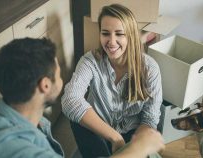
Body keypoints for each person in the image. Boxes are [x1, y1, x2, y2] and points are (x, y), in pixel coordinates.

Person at [0, 38, 164, 158]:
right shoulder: (17, 149)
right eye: (59, 74)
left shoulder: (5, 112)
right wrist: (140, 148)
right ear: (45, 85)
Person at [61, 4, 163, 158]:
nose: (111, 41)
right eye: (105, 33)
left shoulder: (150, 68)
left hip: (133, 134)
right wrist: (115, 138)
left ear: (131, 36)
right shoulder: (90, 61)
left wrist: (136, 147)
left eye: (119, 34)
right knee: (76, 118)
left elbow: (150, 118)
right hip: (99, 131)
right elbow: (69, 100)